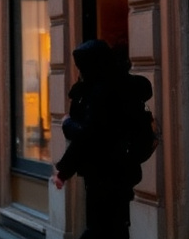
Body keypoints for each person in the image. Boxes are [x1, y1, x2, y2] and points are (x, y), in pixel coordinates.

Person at [53, 39, 152, 239]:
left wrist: (67, 124)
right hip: (123, 170)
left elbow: (87, 136)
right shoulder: (121, 84)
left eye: (82, 67)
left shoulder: (100, 92)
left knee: (100, 228)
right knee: (116, 228)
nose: (80, 72)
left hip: (104, 173)